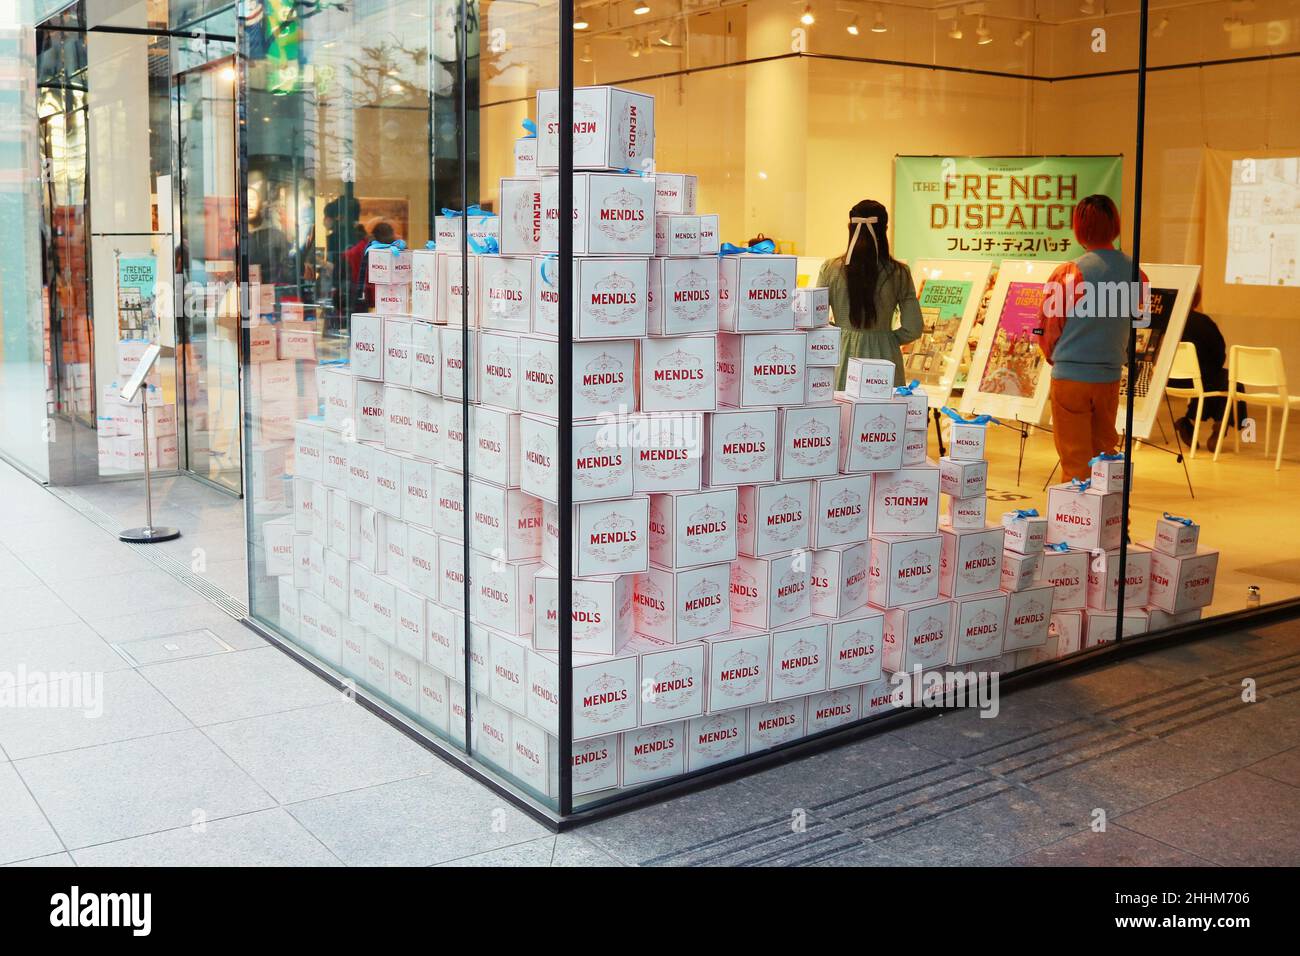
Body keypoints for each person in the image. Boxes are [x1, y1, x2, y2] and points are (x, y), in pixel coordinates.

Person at [1037, 194, 1148, 481]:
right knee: (1105, 457)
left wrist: (1055, 357)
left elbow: (1049, 328)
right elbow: (1141, 321)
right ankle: (1106, 522)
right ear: (1115, 226)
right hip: (1109, 377)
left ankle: (1073, 522)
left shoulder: (1067, 273)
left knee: (1074, 462)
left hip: (1070, 377)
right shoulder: (1138, 274)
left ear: (1078, 227)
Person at [819, 199, 923, 389]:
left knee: (843, 415)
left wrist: (840, 334)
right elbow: (914, 327)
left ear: (850, 228)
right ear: (884, 230)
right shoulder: (899, 272)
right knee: (883, 417)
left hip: (841, 356)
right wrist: (887, 338)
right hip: (884, 357)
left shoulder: (830, 269)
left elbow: (816, 320)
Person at [1170, 286, 1245, 452]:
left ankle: (1188, 422)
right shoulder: (1203, 322)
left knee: (1212, 382)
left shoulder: (1167, 320)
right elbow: (1219, 354)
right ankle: (1221, 422)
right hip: (1201, 379)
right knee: (1231, 381)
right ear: (1197, 299)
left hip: (1170, 381)